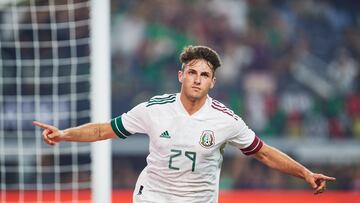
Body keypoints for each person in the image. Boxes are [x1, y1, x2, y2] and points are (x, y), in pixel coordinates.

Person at [33, 45, 336, 203]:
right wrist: (64, 134)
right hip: (152, 197)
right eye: (192, 72)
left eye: (204, 75)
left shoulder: (225, 120)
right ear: (181, 76)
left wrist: (305, 173)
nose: (197, 79)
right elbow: (103, 130)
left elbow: (264, 152)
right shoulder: (154, 109)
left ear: (212, 83)